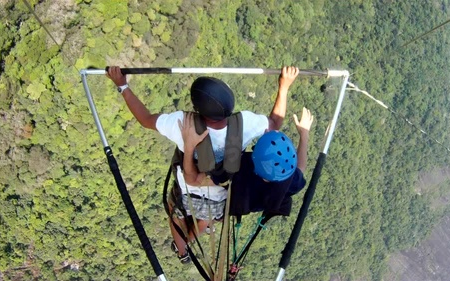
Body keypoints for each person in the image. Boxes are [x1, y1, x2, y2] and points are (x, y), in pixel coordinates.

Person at [106, 66, 300, 263]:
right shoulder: (245, 123)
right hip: (221, 194)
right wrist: (284, 86)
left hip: (188, 189)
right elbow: (275, 123)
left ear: (197, 110)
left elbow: (146, 119)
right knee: (205, 217)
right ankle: (192, 237)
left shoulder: (183, 123)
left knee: (176, 215)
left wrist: (123, 86)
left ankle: (182, 252)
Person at [180, 107, 314, 246]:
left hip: (234, 199)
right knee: (208, 219)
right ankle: (201, 230)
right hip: (245, 205)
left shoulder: (237, 169)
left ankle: (195, 233)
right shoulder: (287, 176)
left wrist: (189, 146)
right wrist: (304, 134)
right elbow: (300, 167)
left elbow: (193, 179)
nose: (266, 131)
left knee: (204, 211)